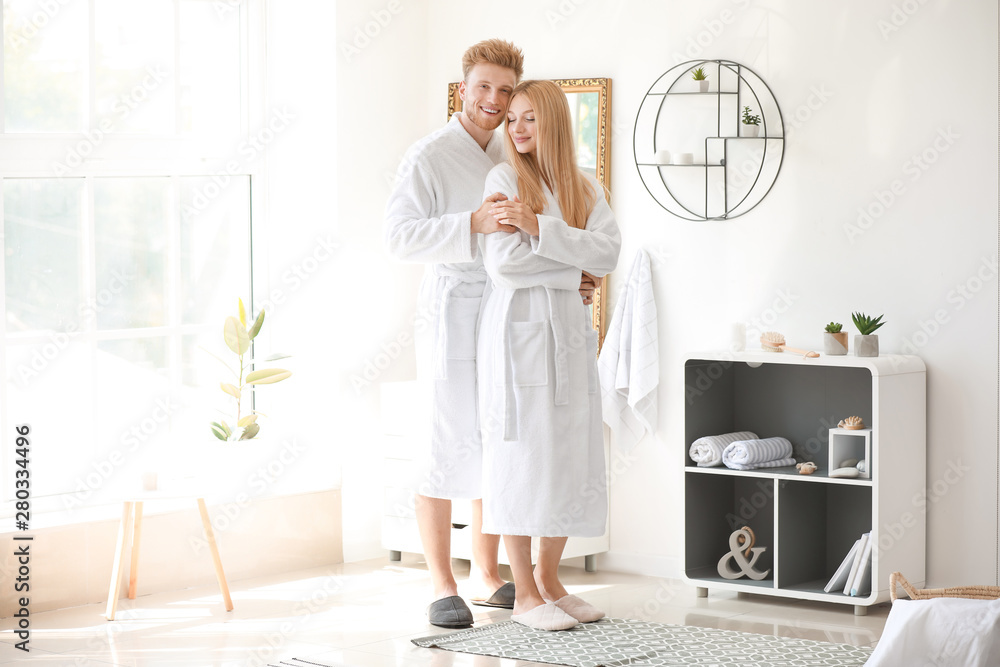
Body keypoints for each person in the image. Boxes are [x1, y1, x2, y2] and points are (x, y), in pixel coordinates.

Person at [383, 39, 525, 629]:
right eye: (483, 86)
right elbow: (398, 237)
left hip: (501, 305)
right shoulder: (428, 156)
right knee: (445, 439)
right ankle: (442, 582)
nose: (493, 100)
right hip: (450, 309)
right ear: (462, 87)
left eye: (505, 90)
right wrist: (470, 222)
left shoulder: (512, 151)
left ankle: (486, 574)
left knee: (496, 436)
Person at [477, 79, 622, 631]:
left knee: (566, 458)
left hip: (568, 336)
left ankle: (551, 581)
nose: (516, 129)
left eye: (528, 118)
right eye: (511, 118)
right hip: (520, 337)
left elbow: (607, 251)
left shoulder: (584, 187)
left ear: (555, 122)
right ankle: (523, 594)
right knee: (521, 458)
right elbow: (504, 265)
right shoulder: (502, 179)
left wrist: (537, 226)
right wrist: (571, 271)